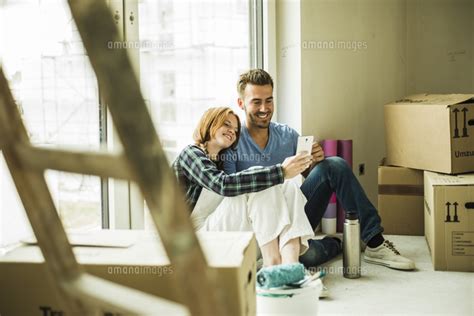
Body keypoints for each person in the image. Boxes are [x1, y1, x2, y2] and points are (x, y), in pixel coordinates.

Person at [222, 69, 415, 271]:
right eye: (256, 102)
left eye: (269, 100)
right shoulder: (232, 141)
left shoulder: (287, 135)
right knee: (310, 255)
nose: (264, 108)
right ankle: (333, 244)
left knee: (334, 165)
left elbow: (308, 176)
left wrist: (314, 162)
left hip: (292, 215)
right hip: (258, 226)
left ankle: (374, 242)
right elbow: (230, 192)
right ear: (241, 103)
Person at [172, 106, 316, 267]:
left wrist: (282, 176)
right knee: (261, 180)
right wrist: (280, 171)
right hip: (196, 241)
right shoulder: (190, 154)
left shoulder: (222, 161)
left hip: (226, 236)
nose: (232, 131)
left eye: (235, 129)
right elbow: (223, 185)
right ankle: (272, 264)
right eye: (226, 124)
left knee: (288, 185)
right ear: (210, 123)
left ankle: (290, 266)